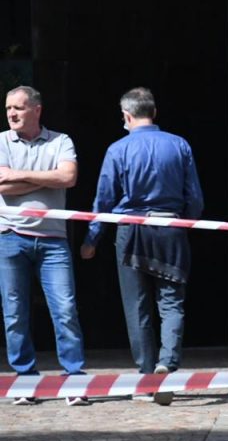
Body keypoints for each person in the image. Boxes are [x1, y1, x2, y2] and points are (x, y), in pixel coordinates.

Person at [80, 87, 204, 406]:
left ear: (126, 116)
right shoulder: (180, 145)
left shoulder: (117, 149)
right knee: (172, 302)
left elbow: (104, 199)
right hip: (170, 226)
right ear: (154, 112)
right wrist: (185, 221)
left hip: (131, 230)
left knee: (137, 307)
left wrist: (92, 238)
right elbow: (195, 198)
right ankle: (168, 363)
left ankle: (146, 375)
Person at [0, 86, 89, 406]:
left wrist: (19, 176)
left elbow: (68, 178)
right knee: (14, 313)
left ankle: (74, 379)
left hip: (53, 241)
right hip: (9, 237)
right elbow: (1, 185)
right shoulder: (0, 142)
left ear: (37, 110)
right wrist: (46, 176)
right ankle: (25, 379)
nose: (11, 113)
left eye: (18, 108)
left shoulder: (60, 141)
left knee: (65, 310)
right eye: (8, 108)